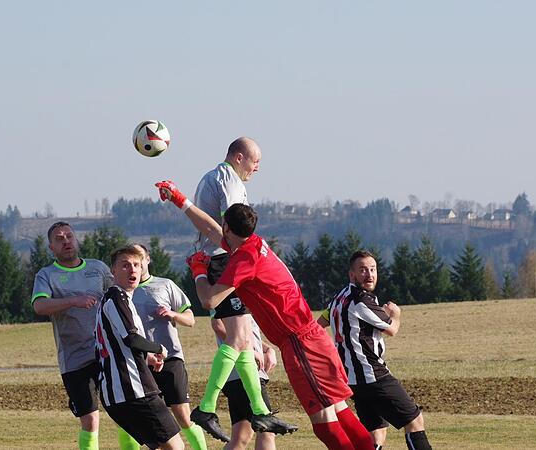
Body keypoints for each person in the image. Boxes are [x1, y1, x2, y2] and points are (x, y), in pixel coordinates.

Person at [155, 184, 374, 450]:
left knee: (323, 420)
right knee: (339, 410)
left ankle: (209, 408)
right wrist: (179, 199)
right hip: (311, 339)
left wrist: (199, 271)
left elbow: (209, 299)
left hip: (300, 343)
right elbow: (210, 229)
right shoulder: (254, 244)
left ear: (228, 228)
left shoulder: (243, 260)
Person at [156, 137, 296, 442]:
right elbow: (225, 232)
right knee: (237, 337)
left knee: (244, 339)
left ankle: (259, 409)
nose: (257, 168)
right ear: (239, 157)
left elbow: (217, 228)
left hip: (219, 260)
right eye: (255, 161)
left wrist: (180, 199)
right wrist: (180, 201)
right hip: (223, 262)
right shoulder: (229, 183)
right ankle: (206, 407)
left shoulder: (218, 178)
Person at [319, 251, 432, 450]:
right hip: (374, 375)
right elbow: (392, 329)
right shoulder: (361, 300)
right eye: (362, 270)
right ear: (352, 275)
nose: (369, 274)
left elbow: (320, 324)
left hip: (353, 380)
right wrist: (395, 314)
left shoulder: (339, 298)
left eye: (372, 269)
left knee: (375, 433)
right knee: (414, 421)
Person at [114, 243, 207, 450]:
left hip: (170, 359)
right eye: (129, 262)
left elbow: (191, 319)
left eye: (139, 259)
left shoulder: (165, 285)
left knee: (183, 415)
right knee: (134, 421)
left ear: (147, 260)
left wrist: (173, 314)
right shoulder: (121, 293)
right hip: (137, 363)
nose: (134, 267)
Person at [32, 221, 113, 450]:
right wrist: (73, 301)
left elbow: (118, 298)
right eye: (59, 238)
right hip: (74, 358)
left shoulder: (98, 268)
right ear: (51, 248)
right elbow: (39, 306)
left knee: (124, 411)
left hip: (107, 351)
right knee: (90, 420)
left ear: (76, 240)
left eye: (69, 236)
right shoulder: (46, 274)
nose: (66, 241)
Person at [96, 245, 184, 450]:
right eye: (125, 265)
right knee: (175, 447)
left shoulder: (117, 300)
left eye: (136, 264)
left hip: (121, 393)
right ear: (113, 271)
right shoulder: (117, 298)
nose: (132, 270)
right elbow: (131, 339)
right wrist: (158, 348)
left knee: (165, 446)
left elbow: (116, 344)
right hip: (133, 390)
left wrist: (146, 358)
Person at [214, 318, 277, 450]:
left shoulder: (242, 298)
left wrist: (267, 349)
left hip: (239, 373)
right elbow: (218, 325)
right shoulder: (223, 297)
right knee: (267, 429)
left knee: (241, 436)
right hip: (243, 373)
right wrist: (247, 350)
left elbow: (243, 333)